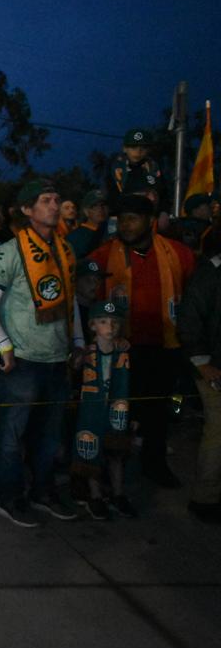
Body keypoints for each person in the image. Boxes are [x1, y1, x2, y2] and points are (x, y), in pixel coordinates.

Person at [0, 179, 83, 527]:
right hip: (22, 361)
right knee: (11, 437)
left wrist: (77, 342)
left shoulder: (65, 250)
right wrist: (4, 345)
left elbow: (70, 302)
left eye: (56, 199)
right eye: (45, 200)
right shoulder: (11, 250)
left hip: (57, 359)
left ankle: (42, 491)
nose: (54, 205)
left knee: (49, 437)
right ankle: (11, 498)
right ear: (26, 209)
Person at [88, 194, 195, 489]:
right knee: (119, 413)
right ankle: (113, 471)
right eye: (122, 218)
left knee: (158, 412)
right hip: (120, 348)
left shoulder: (179, 254)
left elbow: (194, 299)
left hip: (165, 347)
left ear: (151, 221)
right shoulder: (103, 256)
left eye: (133, 218)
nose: (126, 224)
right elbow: (86, 294)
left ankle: (154, 464)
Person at [70, 300, 135, 520]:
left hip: (115, 409)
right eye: (103, 321)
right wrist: (77, 360)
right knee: (91, 451)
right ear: (92, 326)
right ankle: (95, 496)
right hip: (91, 412)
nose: (110, 327)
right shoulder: (87, 353)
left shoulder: (122, 351)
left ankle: (118, 494)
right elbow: (74, 368)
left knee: (116, 453)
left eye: (115, 322)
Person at [177, 234, 221, 523]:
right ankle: (204, 499)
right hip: (213, 368)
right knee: (217, 432)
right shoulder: (210, 274)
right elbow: (190, 319)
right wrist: (203, 363)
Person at [106, 128, 163, 205]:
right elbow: (111, 197)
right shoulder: (115, 168)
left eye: (143, 148)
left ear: (148, 150)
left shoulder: (154, 167)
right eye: (133, 147)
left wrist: (163, 212)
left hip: (149, 212)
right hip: (124, 212)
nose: (138, 151)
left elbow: (163, 194)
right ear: (124, 149)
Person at [66, 190, 110, 259]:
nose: (100, 209)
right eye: (94, 206)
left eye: (103, 205)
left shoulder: (114, 231)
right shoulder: (74, 238)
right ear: (86, 211)